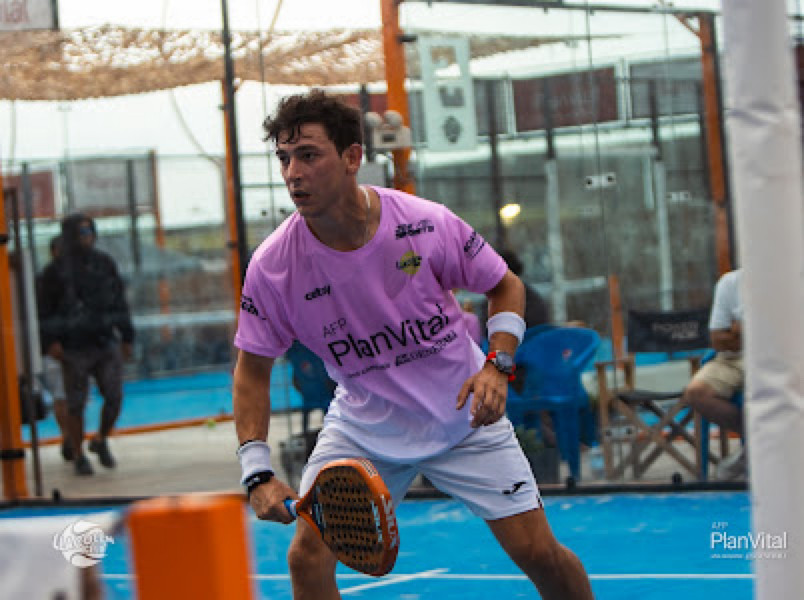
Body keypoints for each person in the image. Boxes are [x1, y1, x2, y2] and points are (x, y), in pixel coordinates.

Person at [232, 90, 593, 600]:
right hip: (365, 428)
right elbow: (252, 370)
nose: (293, 173)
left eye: (308, 155)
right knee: (306, 560)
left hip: (465, 418)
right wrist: (256, 473)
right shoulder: (272, 266)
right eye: (284, 158)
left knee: (539, 554)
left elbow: (504, 285)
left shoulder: (424, 223)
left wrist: (497, 365)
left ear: (352, 157)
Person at [37, 214, 134, 476]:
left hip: (105, 340)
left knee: (114, 396)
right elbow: (44, 310)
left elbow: (119, 301)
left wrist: (126, 336)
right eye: (81, 232)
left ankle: (101, 438)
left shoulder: (104, 263)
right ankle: (78, 453)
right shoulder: (55, 271)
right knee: (75, 403)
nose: (87, 237)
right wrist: (50, 342)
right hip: (73, 347)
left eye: (90, 231)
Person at [682, 269, 745, 480]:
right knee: (696, 392)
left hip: (779, 356)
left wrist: (738, 331)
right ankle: (759, 441)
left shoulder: (792, 278)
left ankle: (757, 448)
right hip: (732, 358)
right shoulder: (730, 283)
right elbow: (718, 340)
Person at [36, 235, 72, 461]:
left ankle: (72, 437)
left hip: (78, 344)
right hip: (56, 346)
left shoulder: (80, 275)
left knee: (73, 395)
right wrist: (50, 342)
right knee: (61, 395)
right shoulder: (45, 279)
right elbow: (42, 314)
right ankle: (68, 436)